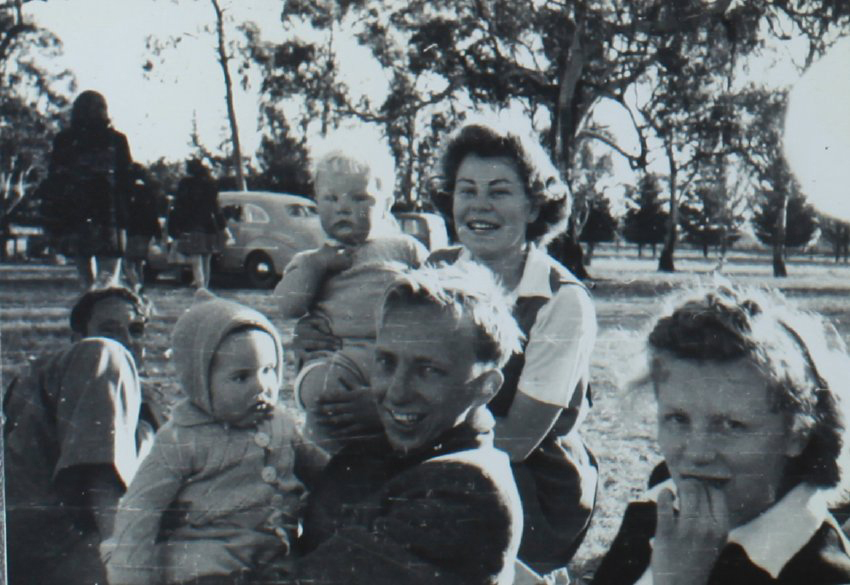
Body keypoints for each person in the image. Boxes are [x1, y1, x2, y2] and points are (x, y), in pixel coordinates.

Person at [258, 261, 524, 585]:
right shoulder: (384, 450)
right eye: (386, 362)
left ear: (486, 388)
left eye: (428, 371)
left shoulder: (465, 490)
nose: (395, 392)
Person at [592, 284, 850, 585]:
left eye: (732, 425)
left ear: (798, 433)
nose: (697, 453)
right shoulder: (660, 507)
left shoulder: (820, 573)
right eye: (677, 419)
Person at [102, 290, 328, 585]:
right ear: (200, 382)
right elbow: (141, 508)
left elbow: (323, 472)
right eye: (241, 377)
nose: (262, 387)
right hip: (204, 564)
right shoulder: (183, 439)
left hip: (271, 556)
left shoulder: (280, 424)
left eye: (269, 371)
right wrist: (133, 577)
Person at [273, 130, 426, 452]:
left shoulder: (404, 248)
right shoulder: (310, 259)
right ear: (316, 202)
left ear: (385, 204)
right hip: (335, 355)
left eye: (359, 198)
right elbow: (286, 306)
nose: (343, 208)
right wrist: (317, 266)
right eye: (331, 198)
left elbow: (436, 293)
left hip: (393, 356)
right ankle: (330, 462)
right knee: (325, 394)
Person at [3, 285, 150, 585]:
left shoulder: (150, 406)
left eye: (136, 330)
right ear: (76, 339)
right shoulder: (80, 362)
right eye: (110, 329)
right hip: (42, 539)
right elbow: (101, 481)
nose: (127, 341)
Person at [41, 90, 133, 288]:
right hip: (109, 214)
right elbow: (127, 181)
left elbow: (55, 179)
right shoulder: (117, 140)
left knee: (86, 279)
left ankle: (89, 311)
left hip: (78, 214)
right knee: (109, 280)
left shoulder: (64, 140)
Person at [169, 158, 226, 289]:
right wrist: (222, 226)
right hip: (209, 226)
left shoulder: (185, 184)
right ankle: (205, 285)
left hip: (192, 225)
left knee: (196, 259)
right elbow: (216, 207)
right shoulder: (211, 184)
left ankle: (200, 287)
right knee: (207, 259)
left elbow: (179, 207)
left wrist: (177, 227)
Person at [122, 162, 163, 291]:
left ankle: (135, 285)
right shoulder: (149, 191)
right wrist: (157, 233)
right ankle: (140, 283)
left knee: (128, 262)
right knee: (139, 261)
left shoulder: (127, 191)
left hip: (132, 230)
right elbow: (153, 214)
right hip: (146, 232)